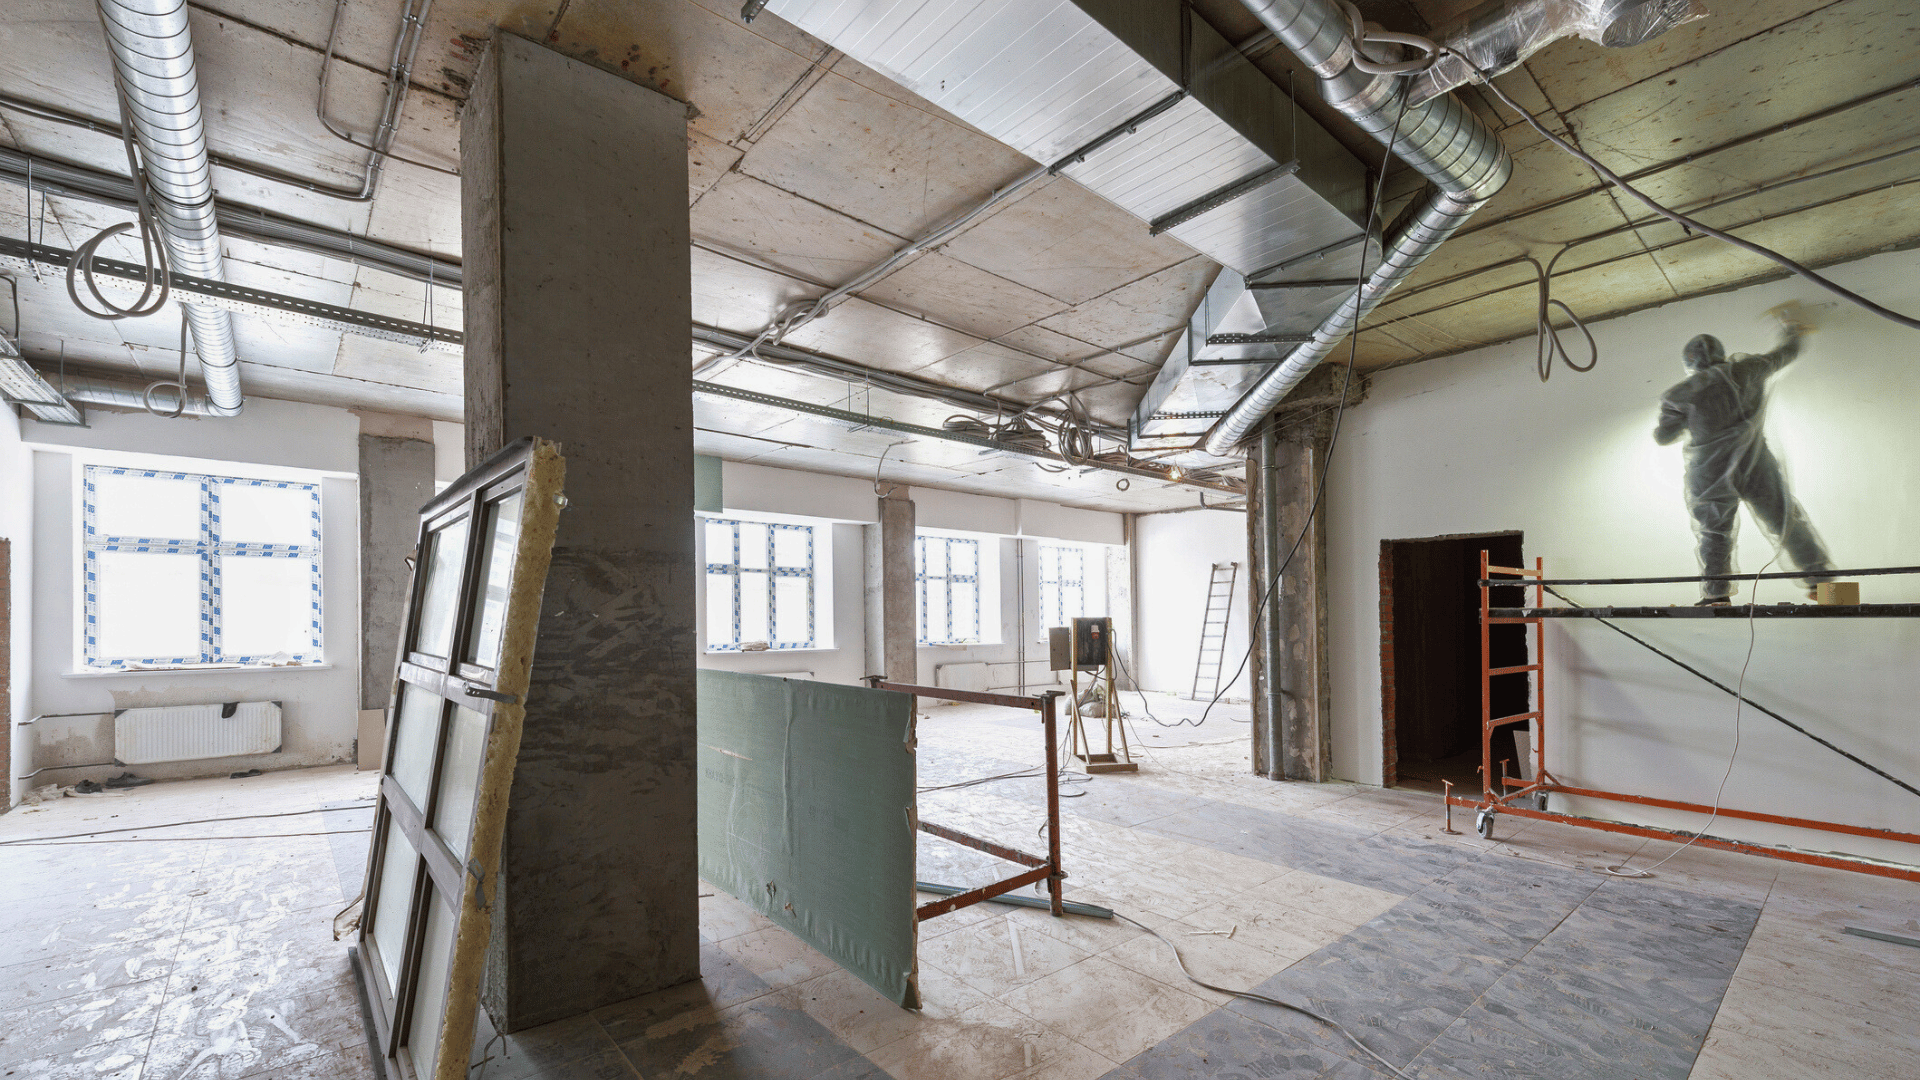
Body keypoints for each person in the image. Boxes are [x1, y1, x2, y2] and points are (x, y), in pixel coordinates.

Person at [1653, 303, 1832, 605]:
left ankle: (1717, 595)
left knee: (1714, 533)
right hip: (1755, 463)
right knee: (1784, 520)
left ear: (1690, 362)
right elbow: (1785, 354)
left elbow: (1663, 436)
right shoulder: (1747, 370)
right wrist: (1791, 330)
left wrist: (1682, 418)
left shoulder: (1679, 394)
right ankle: (1821, 583)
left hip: (1709, 473)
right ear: (1721, 353)